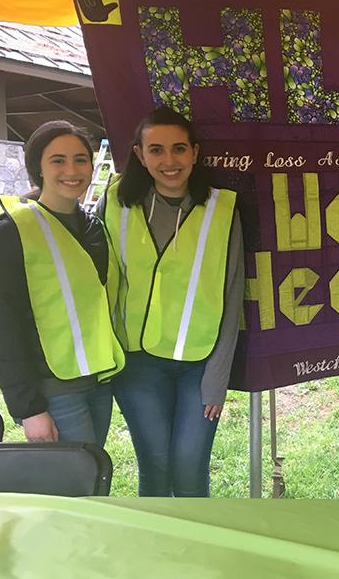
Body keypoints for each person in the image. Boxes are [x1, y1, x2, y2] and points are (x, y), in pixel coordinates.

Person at [98, 106, 244, 497]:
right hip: (136, 363)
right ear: (140, 155)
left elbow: (232, 298)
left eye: (179, 149)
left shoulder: (222, 209)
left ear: (195, 153)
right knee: (156, 468)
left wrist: (217, 378)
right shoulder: (114, 204)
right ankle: (159, 555)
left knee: (189, 468)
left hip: (198, 365)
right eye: (156, 150)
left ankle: (197, 555)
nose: (169, 161)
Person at [0, 121, 124, 444]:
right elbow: (3, 326)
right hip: (53, 390)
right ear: (37, 167)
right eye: (58, 160)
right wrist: (29, 409)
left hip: (97, 383)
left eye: (81, 159)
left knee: (93, 475)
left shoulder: (94, 228)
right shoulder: (11, 232)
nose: (72, 169)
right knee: (72, 488)